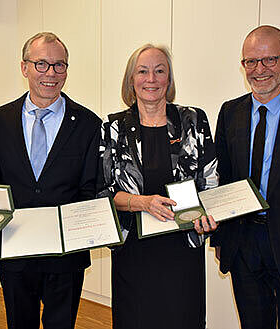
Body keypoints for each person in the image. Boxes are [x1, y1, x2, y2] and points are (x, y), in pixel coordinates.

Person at [0, 32, 101, 329]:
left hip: (66, 256)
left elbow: (90, 188)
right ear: (24, 67)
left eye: (59, 65)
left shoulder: (89, 123)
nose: (51, 73)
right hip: (16, 249)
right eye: (41, 64)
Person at [97, 43, 218, 329]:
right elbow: (103, 193)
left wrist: (208, 217)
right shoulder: (113, 128)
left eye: (159, 71)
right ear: (131, 80)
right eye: (142, 71)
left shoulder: (193, 120)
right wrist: (143, 202)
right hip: (134, 252)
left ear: (169, 79)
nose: (151, 79)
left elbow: (211, 180)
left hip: (182, 250)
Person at [211, 25, 280, 329]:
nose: (259, 70)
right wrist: (221, 238)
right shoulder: (230, 112)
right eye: (250, 62)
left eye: (270, 60)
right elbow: (224, 178)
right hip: (244, 245)